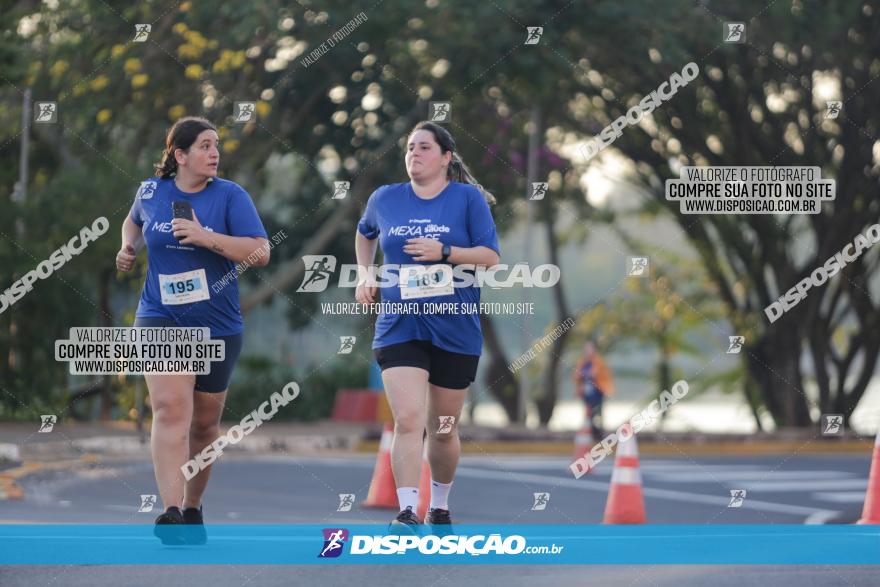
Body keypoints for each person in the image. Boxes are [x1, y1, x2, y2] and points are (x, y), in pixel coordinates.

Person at [116, 117, 269, 544]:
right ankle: (169, 511)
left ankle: (192, 506)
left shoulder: (230, 196)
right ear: (180, 156)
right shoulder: (151, 191)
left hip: (217, 325)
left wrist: (206, 237)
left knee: (204, 427)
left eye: (216, 145)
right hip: (159, 316)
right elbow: (133, 221)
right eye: (204, 146)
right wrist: (127, 246)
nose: (214, 153)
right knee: (169, 411)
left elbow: (260, 252)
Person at [355, 121, 500, 530]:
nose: (413, 154)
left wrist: (446, 251)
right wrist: (366, 275)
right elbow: (364, 233)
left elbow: (490, 257)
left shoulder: (468, 200)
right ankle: (406, 509)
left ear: (445, 157)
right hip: (400, 324)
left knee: (442, 429)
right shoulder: (385, 199)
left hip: (455, 327)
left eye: (423, 148)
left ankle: (439, 504)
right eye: (409, 148)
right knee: (408, 420)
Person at [573, 341, 614, 439]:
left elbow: (595, 373)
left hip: (598, 391)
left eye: (589, 348)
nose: (587, 351)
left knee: (597, 412)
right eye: (586, 348)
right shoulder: (582, 361)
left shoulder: (598, 360)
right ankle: (591, 432)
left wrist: (584, 374)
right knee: (589, 412)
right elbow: (576, 376)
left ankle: (598, 432)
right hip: (586, 392)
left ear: (594, 349)